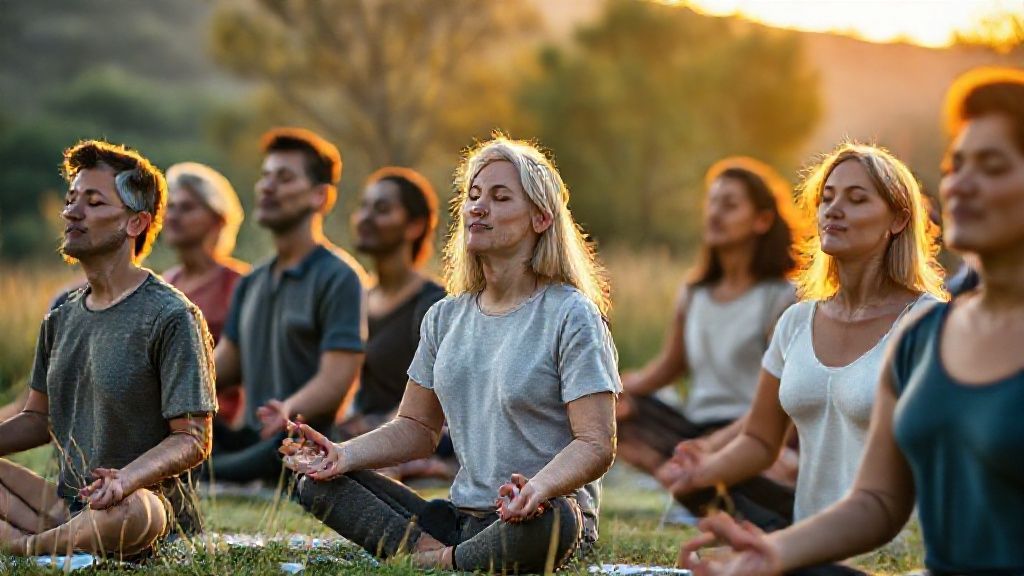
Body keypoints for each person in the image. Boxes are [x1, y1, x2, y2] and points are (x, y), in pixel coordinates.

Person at [679, 67, 1024, 576]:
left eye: (992, 167)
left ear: (898, 218)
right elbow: (878, 502)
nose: (961, 185)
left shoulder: (921, 316)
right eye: (954, 167)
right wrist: (775, 553)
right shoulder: (925, 338)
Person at [282, 135, 620, 572]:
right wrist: (342, 454)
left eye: (500, 197)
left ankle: (431, 560)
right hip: (462, 519)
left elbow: (596, 443)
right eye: (474, 196)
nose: (478, 207)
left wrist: (538, 488)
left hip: (536, 521)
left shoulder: (571, 314)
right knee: (317, 483)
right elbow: (417, 428)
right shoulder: (444, 316)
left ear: (540, 217)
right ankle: (444, 557)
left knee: (558, 518)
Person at [664, 141, 946, 566]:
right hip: (811, 549)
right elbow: (760, 440)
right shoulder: (796, 321)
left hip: (898, 558)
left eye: (856, 199)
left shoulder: (929, 323)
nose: (834, 209)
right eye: (827, 198)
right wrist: (699, 473)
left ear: (898, 219)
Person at [0, 140, 216, 557]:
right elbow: (37, 418)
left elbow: (193, 438)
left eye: (94, 202)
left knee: (135, 509)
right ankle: (48, 545)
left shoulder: (172, 315)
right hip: (69, 509)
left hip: (144, 515)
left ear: (136, 223)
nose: (71, 213)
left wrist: (125, 479)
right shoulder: (61, 315)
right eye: (70, 200)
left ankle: (24, 550)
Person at [616, 157, 800, 529]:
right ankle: (694, 486)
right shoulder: (693, 292)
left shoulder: (780, 297)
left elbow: (791, 391)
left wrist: (779, 446)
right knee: (616, 410)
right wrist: (607, 391)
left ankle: (703, 489)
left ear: (762, 220)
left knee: (762, 463)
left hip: (749, 432)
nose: (715, 213)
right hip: (691, 433)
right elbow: (668, 367)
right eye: (712, 202)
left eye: (730, 205)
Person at [210, 128, 367, 484]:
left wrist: (290, 410)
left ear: (320, 196)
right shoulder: (251, 281)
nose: (267, 187)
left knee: (264, 457)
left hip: (298, 444)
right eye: (265, 176)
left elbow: (337, 377)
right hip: (250, 439)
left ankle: (208, 473)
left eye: (284, 178)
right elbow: (221, 368)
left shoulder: (340, 277)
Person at [336, 167, 451, 479]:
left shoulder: (435, 304)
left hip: (416, 433)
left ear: (414, 226)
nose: (366, 217)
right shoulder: (357, 298)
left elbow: (442, 395)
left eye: (382, 209)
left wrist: (380, 426)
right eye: (364, 207)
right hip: (365, 429)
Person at [163, 162, 250, 425]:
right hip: (163, 416)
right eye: (171, 206)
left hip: (220, 422)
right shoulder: (164, 283)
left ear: (218, 219)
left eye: (187, 207)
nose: (174, 215)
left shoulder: (240, 283)